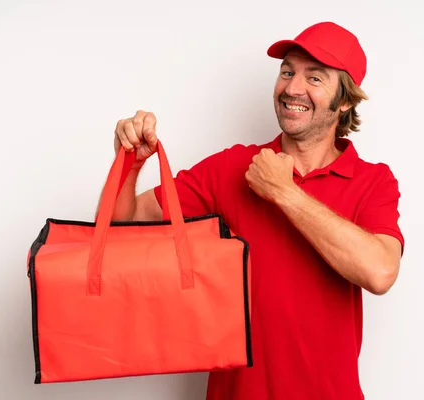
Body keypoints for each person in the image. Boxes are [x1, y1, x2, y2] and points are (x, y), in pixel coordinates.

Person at [107, 21, 404, 400]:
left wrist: (284, 192)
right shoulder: (231, 167)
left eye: (315, 78)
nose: (292, 88)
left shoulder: (373, 181)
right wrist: (130, 165)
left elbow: (380, 273)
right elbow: (125, 224)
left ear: (344, 100)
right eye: (287, 72)